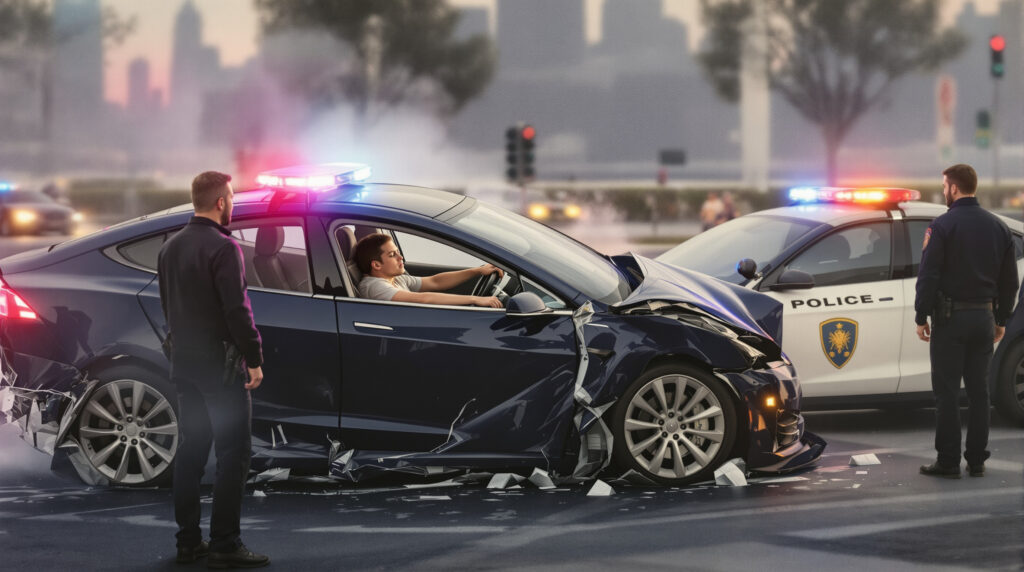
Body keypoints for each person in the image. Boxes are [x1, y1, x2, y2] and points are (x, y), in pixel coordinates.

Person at [158, 171, 270, 568]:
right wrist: (253, 357)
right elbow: (237, 310)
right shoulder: (224, 248)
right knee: (233, 454)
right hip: (221, 370)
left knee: (191, 452)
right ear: (221, 201)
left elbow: (168, 307)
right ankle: (225, 544)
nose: (233, 203)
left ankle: (188, 543)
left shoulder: (170, 248)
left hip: (184, 365)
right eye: (232, 197)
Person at [915, 163, 1018, 479]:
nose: (943, 191)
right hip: (983, 317)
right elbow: (1010, 282)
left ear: (954, 188)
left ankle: (948, 462)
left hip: (950, 320)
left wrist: (921, 315)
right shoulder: (998, 227)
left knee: (947, 393)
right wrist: (1001, 318)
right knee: (979, 392)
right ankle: (976, 460)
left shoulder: (942, 226)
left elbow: (929, 274)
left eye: (944, 186)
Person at [353, 233, 503, 307]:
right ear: (376, 265)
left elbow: (435, 282)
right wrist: (475, 299)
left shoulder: (395, 279)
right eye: (392, 255)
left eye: (398, 252)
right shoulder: (374, 286)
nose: (400, 257)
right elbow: (423, 299)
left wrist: (477, 271)